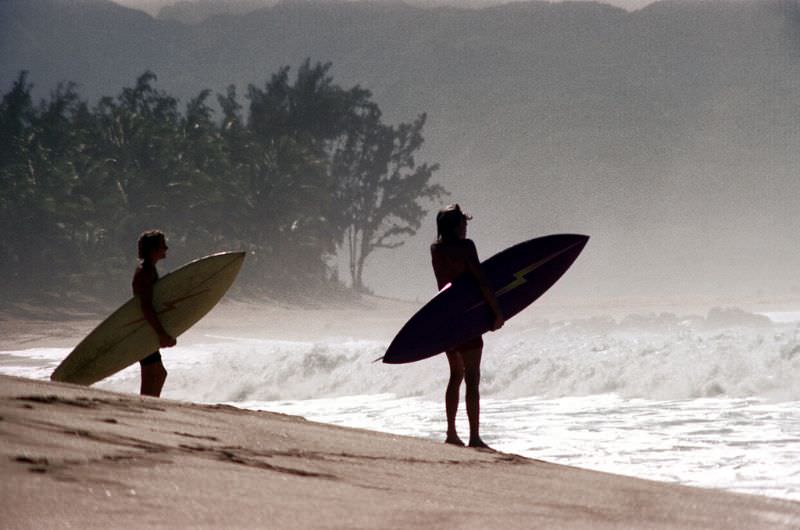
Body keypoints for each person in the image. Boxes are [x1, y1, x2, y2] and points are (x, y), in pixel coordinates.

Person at [431, 204, 504, 449]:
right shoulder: (466, 247)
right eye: (463, 222)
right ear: (455, 225)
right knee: (472, 377)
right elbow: (481, 280)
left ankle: (451, 432)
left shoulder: (436, 249)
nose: (466, 226)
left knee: (455, 375)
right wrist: (496, 312)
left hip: (445, 318)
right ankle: (474, 437)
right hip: (466, 318)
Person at [132, 229, 176, 397]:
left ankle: (148, 405)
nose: (166, 248)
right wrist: (161, 334)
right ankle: (145, 407)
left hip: (145, 330)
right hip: (143, 331)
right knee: (154, 374)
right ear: (153, 249)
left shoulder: (148, 268)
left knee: (158, 373)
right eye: (163, 245)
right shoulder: (145, 272)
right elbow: (146, 307)